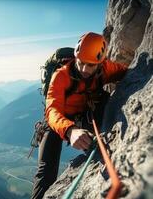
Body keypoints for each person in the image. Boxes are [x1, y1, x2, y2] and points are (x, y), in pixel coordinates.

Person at [31, 32, 128, 199]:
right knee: (45, 172)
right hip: (57, 122)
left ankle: (99, 147)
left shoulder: (105, 69)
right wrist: (70, 130)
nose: (84, 69)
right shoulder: (60, 76)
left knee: (104, 99)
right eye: (81, 63)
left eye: (90, 65)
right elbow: (52, 110)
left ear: (100, 62)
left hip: (84, 115)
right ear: (76, 57)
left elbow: (128, 73)